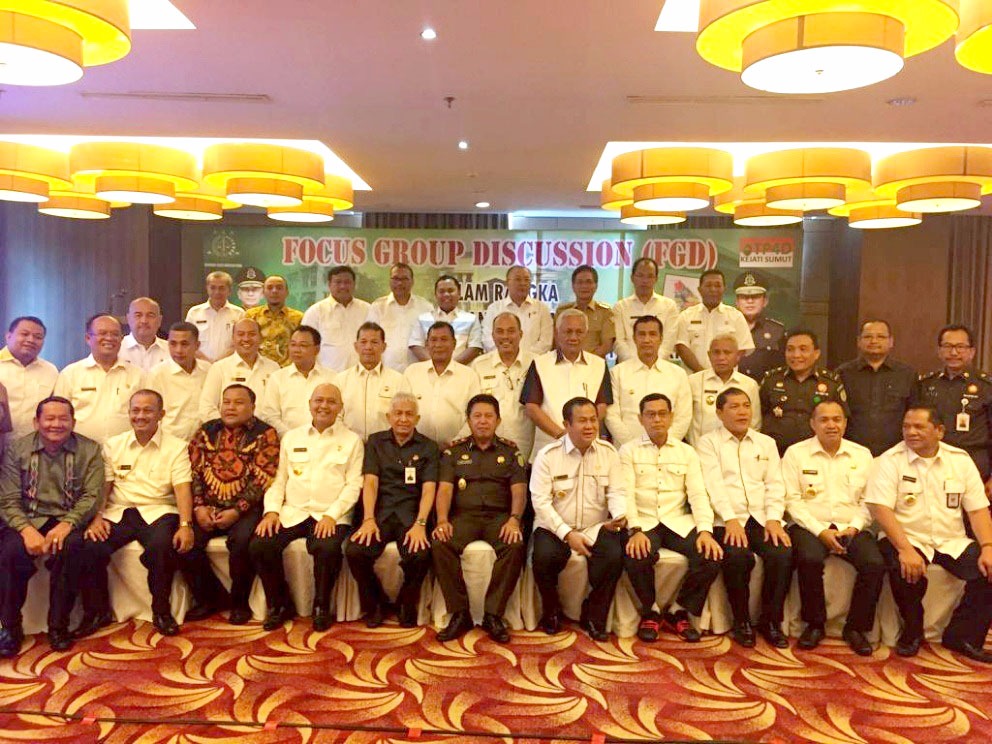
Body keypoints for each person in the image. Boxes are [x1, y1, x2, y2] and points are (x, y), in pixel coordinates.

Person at [866, 406, 992, 663]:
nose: (910, 432)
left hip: (951, 540)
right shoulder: (890, 460)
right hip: (907, 536)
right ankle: (912, 631)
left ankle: (963, 636)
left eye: (919, 427)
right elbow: (881, 509)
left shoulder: (960, 460)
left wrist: (988, 546)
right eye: (906, 426)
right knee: (904, 569)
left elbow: (978, 509)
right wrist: (905, 549)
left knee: (989, 570)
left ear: (939, 431)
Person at [75, 390, 194, 637]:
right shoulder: (113, 445)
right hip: (120, 511)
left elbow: (183, 489)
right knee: (90, 546)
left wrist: (185, 525)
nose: (140, 416)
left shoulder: (177, 447)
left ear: (161, 414)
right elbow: (105, 487)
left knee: (162, 547)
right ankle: (96, 612)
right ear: (129, 413)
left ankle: (161, 611)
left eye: (148, 410)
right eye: (135, 410)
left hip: (159, 510)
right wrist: (97, 517)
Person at [251, 384, 362, 631]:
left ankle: (321, 606)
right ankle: (279, 604)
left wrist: (332, 516)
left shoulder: (352, 440)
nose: (324, 406)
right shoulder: (292, 438)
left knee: (327, 547)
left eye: (331, 401)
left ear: (340, 407)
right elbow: (279, 480)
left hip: (330, 513)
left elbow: (354, 485)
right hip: (294, 511)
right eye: (319, 400)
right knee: (261, 543)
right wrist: (272, 512)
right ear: (309, 404)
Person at [0, 396, 104, 655]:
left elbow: (92, 496)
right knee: (10, 553)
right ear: (36, 422)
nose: (56, 424)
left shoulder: (90, 450)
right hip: (28, 518)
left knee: (73, 548)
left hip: (68, 518)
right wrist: (26, 530)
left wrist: (68, 524)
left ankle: (58, 626)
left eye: (63, 418)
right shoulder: (17, 450)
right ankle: (10, 627)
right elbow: (8, 499)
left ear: (73, 422)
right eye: (49, 418)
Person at [782, 401, 883, 655]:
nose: (831, 425)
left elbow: (869, 500)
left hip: (852, 526)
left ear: (845, 424)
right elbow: (791, 500)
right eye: (824, 420)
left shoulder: (862, 454)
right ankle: (814, 624)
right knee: (809, 559)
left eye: (837, 419)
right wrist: (820, 531)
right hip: (809, 526)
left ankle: (856, 628)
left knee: (874, 564)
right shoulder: (796, 453)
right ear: (812, 424)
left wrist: (854, 527)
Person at [620, 393, 723, 643]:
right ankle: (651, 611)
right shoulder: (628, 451)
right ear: (641, 419)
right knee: (636, 556)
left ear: (671, 417)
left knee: (711, 555)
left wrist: (706, 531)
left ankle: (679, 610)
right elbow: (625, 494)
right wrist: (635, 530)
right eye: (650, 414)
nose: (657, 419)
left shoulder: (687, 452)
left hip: (677, 520)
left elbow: (698, 494)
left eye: (662, 414)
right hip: (644, 520)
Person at [696, 388, 793, 648]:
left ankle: (770, 621)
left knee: (781, 553)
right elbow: (712, 485)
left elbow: (775, 483)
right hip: (726, 518)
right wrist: (730, 518)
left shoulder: (766, 443)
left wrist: (774, 518)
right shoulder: (708, 443)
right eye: (734, 406)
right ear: (719, 413)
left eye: (746, 406)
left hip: (761, 517)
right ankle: (742, 622)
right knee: (737, 556)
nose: (742, 412)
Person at [179, 385, 280, 624]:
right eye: (226, 402)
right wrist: (199, 507)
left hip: (246, 508)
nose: (230, 407)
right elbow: (193, 472)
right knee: (184, 543)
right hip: (207, 507)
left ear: (253, 407)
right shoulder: (206, 431)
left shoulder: (266, 434)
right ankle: (210, 598)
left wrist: (237, 510)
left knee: (242, 543)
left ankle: (239, 603)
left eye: (238, 402)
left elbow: (263, 478)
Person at [432, 394, 527, 643]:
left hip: (499, 517)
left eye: (488, 416)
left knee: (515, 545)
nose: (483, 421)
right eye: (477, 416)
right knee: (440, 543)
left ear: (498, 421)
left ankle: (493, 615)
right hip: (464, 517)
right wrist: (442, 520)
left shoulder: (510, 451)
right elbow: (444, 490)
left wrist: (514, 519)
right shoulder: (454, 452)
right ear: (468, 420)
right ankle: (459, 613)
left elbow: (519, 490)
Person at [530, 397, 626, 640]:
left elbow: (616, 492)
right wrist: (567, 534)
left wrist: (618, 515)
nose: (590, 426)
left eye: (593, 420)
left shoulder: (608, 453)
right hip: (555, 526)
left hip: (595, 526)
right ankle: (551, 610)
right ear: (567, 424)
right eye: (582, 421)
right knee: (543, 557)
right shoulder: (548, 456)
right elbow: (540, 502)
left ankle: (594, 615)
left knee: (614, 556)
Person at [346, 393, 438, 627]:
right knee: (355, 551)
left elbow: (429, 489)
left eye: (409, 414)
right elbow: (370, 482)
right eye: (398, 413)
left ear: (417, 418)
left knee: (420, 554)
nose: (403, 419)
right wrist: (368, 519)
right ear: (389, 417)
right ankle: (375, 603)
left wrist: (420, 524)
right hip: (381, 513)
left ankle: (406, 603)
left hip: (411, 514)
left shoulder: (428, 447)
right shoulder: (376, 442)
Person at [521, 309, 611, 461]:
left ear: (586, 334)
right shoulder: (540, 364)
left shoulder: (599, 365)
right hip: (549, 449)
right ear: (556, 334)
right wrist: (563, 435)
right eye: (568, 332)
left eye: (579, 332)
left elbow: (602, 406)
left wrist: (582, 433)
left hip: (587, 450)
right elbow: (531, 407)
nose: (573, 337)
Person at [915, 324, 992, 485]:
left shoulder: (986, 386)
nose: (954, 352)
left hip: (973, 461)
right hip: (933, 461)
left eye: (960, 347)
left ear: (972, 351)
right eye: (948, 346)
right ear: (939, 351)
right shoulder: (926, 384)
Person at [54, 315, 145, 444]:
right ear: (88, 338)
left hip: (125, 449)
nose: (109, 338)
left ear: (121, 339)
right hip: (80, 450)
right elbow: (58, 414)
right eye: (102, 333)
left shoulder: (138, 375)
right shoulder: (70, 374)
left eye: (115, 334)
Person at [606, 315, 691, 446]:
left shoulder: (678, 374)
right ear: (634, 338)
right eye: (642, 334)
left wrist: (664, 444)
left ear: (661, 338)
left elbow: (683, 417)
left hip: (668, 450)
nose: (647, 340)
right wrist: (633, 447)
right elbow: (611, 416)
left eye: (652, 334)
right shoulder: (617, 373)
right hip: (626, 450)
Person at [760, 329, 847, 455]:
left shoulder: (831, 382)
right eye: (790, 349)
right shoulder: (771, 379)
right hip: (776, 452)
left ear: (816, 353)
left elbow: (841, 419)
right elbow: (759, 415)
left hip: (816, 454)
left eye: (803, 349)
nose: (796, 355)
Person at [836, 319, 916, 457]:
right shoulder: (843, 373)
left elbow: (914, 413)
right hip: (852, 452)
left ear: (891, 341)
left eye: (881, 337)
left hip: (896, 453)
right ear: (859, 341)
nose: (874, 341)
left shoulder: (907, 374)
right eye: (868, 336)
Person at [471, 312, 536, 462]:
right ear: (493, 336)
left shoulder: (536, 363)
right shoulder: (479, 365)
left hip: (526, 446)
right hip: (488, 448)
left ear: (521, 334)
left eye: (511, 331)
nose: (505, 336)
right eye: (499, 331)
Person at [404, 322, 480, 446]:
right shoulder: (412, 372)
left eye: (444, 339)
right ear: (427, 344)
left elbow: (475, 414)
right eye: (433, 340)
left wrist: (456, 442)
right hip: (415, 447)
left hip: (457, 448)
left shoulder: (469, 375)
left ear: (454, 344)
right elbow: (402, 411)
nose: (438, 345)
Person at [256, 326, 337, 437]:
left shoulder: (332, 378)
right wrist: (292, 438)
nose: (296, 350)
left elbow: (339, 413)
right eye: (293, 345)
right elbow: (270, 416)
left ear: (317, 349)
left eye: (303, 345)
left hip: (325, 440)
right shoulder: (277, 378)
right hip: (287, 442)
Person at [336, 322, 411, 441]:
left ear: (384, 347)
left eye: (374, 342)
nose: (368, 347)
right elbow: (336, 417)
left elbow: (404, 417)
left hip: (386, 447)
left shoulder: (398, 380)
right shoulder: (340, 380)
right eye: (363, 342)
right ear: (356, 346)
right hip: (348, 445)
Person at [199, 318, 279, 423]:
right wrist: (227, 427)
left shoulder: (273, 368)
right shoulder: (219, 368)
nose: (246, 339)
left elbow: (278, 407)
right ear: (233, 338)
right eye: (241, 334)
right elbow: (207, 408)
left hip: (267, 430)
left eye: (252, 334)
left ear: (260, 338)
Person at [687, 334, 761, 445]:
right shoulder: (693, 381)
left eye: (727, 352)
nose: (721, 357)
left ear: (737, 356)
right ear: (709, 355)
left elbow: (754, 424)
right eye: (716, 352)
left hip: (738, 449)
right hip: (699, 449)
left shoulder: (749, 384)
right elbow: (684, 418)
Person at [675, 269, 753, 373]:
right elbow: (682, 347)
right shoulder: (686, 316)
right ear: (699, 289)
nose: (713, 289)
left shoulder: (736, 316)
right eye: (708, 285)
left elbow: (742, 349)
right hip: (693, 378)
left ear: (724, 289)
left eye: (717, 285)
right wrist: (702, 374)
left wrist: (721, 373)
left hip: (726, 379)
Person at [146, 322, 211, 442]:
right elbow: (150, 414)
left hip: (205, 442)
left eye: (184, 344)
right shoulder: (157, 374)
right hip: (170, 443)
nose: (178, 350)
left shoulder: (208, 370)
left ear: (197, 345)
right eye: (173, 344)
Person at [301, 266, 371, 372]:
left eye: (347, 282)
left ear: (354, 284)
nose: (343, 286)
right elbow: (305, 346)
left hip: (362, 374)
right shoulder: (315, 312)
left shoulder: (367, 310)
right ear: (329, 284)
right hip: (327, 376)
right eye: (338, 282)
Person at [0, 317, 59, 442]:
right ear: (8, 336)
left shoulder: (50, 371)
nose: (31, 340)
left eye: (38, 337)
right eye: (24, 334)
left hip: (33, 446)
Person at [366, 263, 433, 372]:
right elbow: (371, 340)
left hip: (418, 372)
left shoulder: (425, 307)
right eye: (395, 278)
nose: (400, 283)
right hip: (386, 372)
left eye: (404, 279)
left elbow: (432, 341)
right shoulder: (378, 307)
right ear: (390, 281)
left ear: (412, 281)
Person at [613, 257, 679, 363]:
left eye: (650, 276)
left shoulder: (669, 306)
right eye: (640, 275)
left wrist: (653, 362)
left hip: (660, 366)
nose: (645, 281)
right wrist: (635, 363)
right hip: (627, 366)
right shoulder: (620, 307)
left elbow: (669, 341)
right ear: (632, 278)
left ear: (656, 279)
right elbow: (619, 341)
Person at [409, 274, 483, 365]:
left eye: (450, 290)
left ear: (459, 293)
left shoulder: (471, 319)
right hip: (429, 371)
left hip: (461, 371)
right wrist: (434, 367)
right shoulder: (422, 319)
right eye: (441, 291)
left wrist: (452, 367)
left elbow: (474, 347)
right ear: (435, 295)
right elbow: (416, 346)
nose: (446, 294)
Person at [481, 266, 553, 356]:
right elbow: (487, 339)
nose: (523, 283)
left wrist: (525, 358)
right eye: (518, 279)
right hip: (501, 361)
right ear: (507, 283)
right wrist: (507, 357)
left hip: (534, 362)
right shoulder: (494, 308)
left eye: (526, 280)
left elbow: (546, 342)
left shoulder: (542, 308)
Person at [733, 272, 785, 382]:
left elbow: (784, 368)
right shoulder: (726, 329)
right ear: (736, 302)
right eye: (744, 297)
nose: (750, 301)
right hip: (733, 388)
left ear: (765, 301)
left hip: (766, 389)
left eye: (755, 297)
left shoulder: (777, 331)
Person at [555, 265, 615, 357]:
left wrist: (586, 361)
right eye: (580, 282)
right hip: (565, 361)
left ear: (596, 286)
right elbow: (557, 341)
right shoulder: (562, 311)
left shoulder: (605, 312)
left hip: (595, 363)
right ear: (573, 286)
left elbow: (607, 346)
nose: (584, 286)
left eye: (588, 282)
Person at [185, 271, 245, 361]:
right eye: (213, 288)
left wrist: (219, 363)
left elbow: (241, 343)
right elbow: (187, 341)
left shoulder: (239, 313)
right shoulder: (194, 313)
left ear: (229, 290)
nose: (217, 292)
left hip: (229, 365)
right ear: (207, 289)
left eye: (221, 288)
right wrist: (206, 361)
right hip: (200, 364)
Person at [245, 275, 304, 367]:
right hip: (257, 368)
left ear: (287, 292)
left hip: (286, 370)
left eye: (279, 288)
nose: (274, 291)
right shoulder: (251, 316)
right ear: (263, 292)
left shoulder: (298, 318)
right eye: (269, 288)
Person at [119, 297, 169, 372]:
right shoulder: (117, 349)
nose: (144, 321)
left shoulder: (170, 350)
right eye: (138, 315)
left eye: (150, 315)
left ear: (159, 320)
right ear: (128, 319)